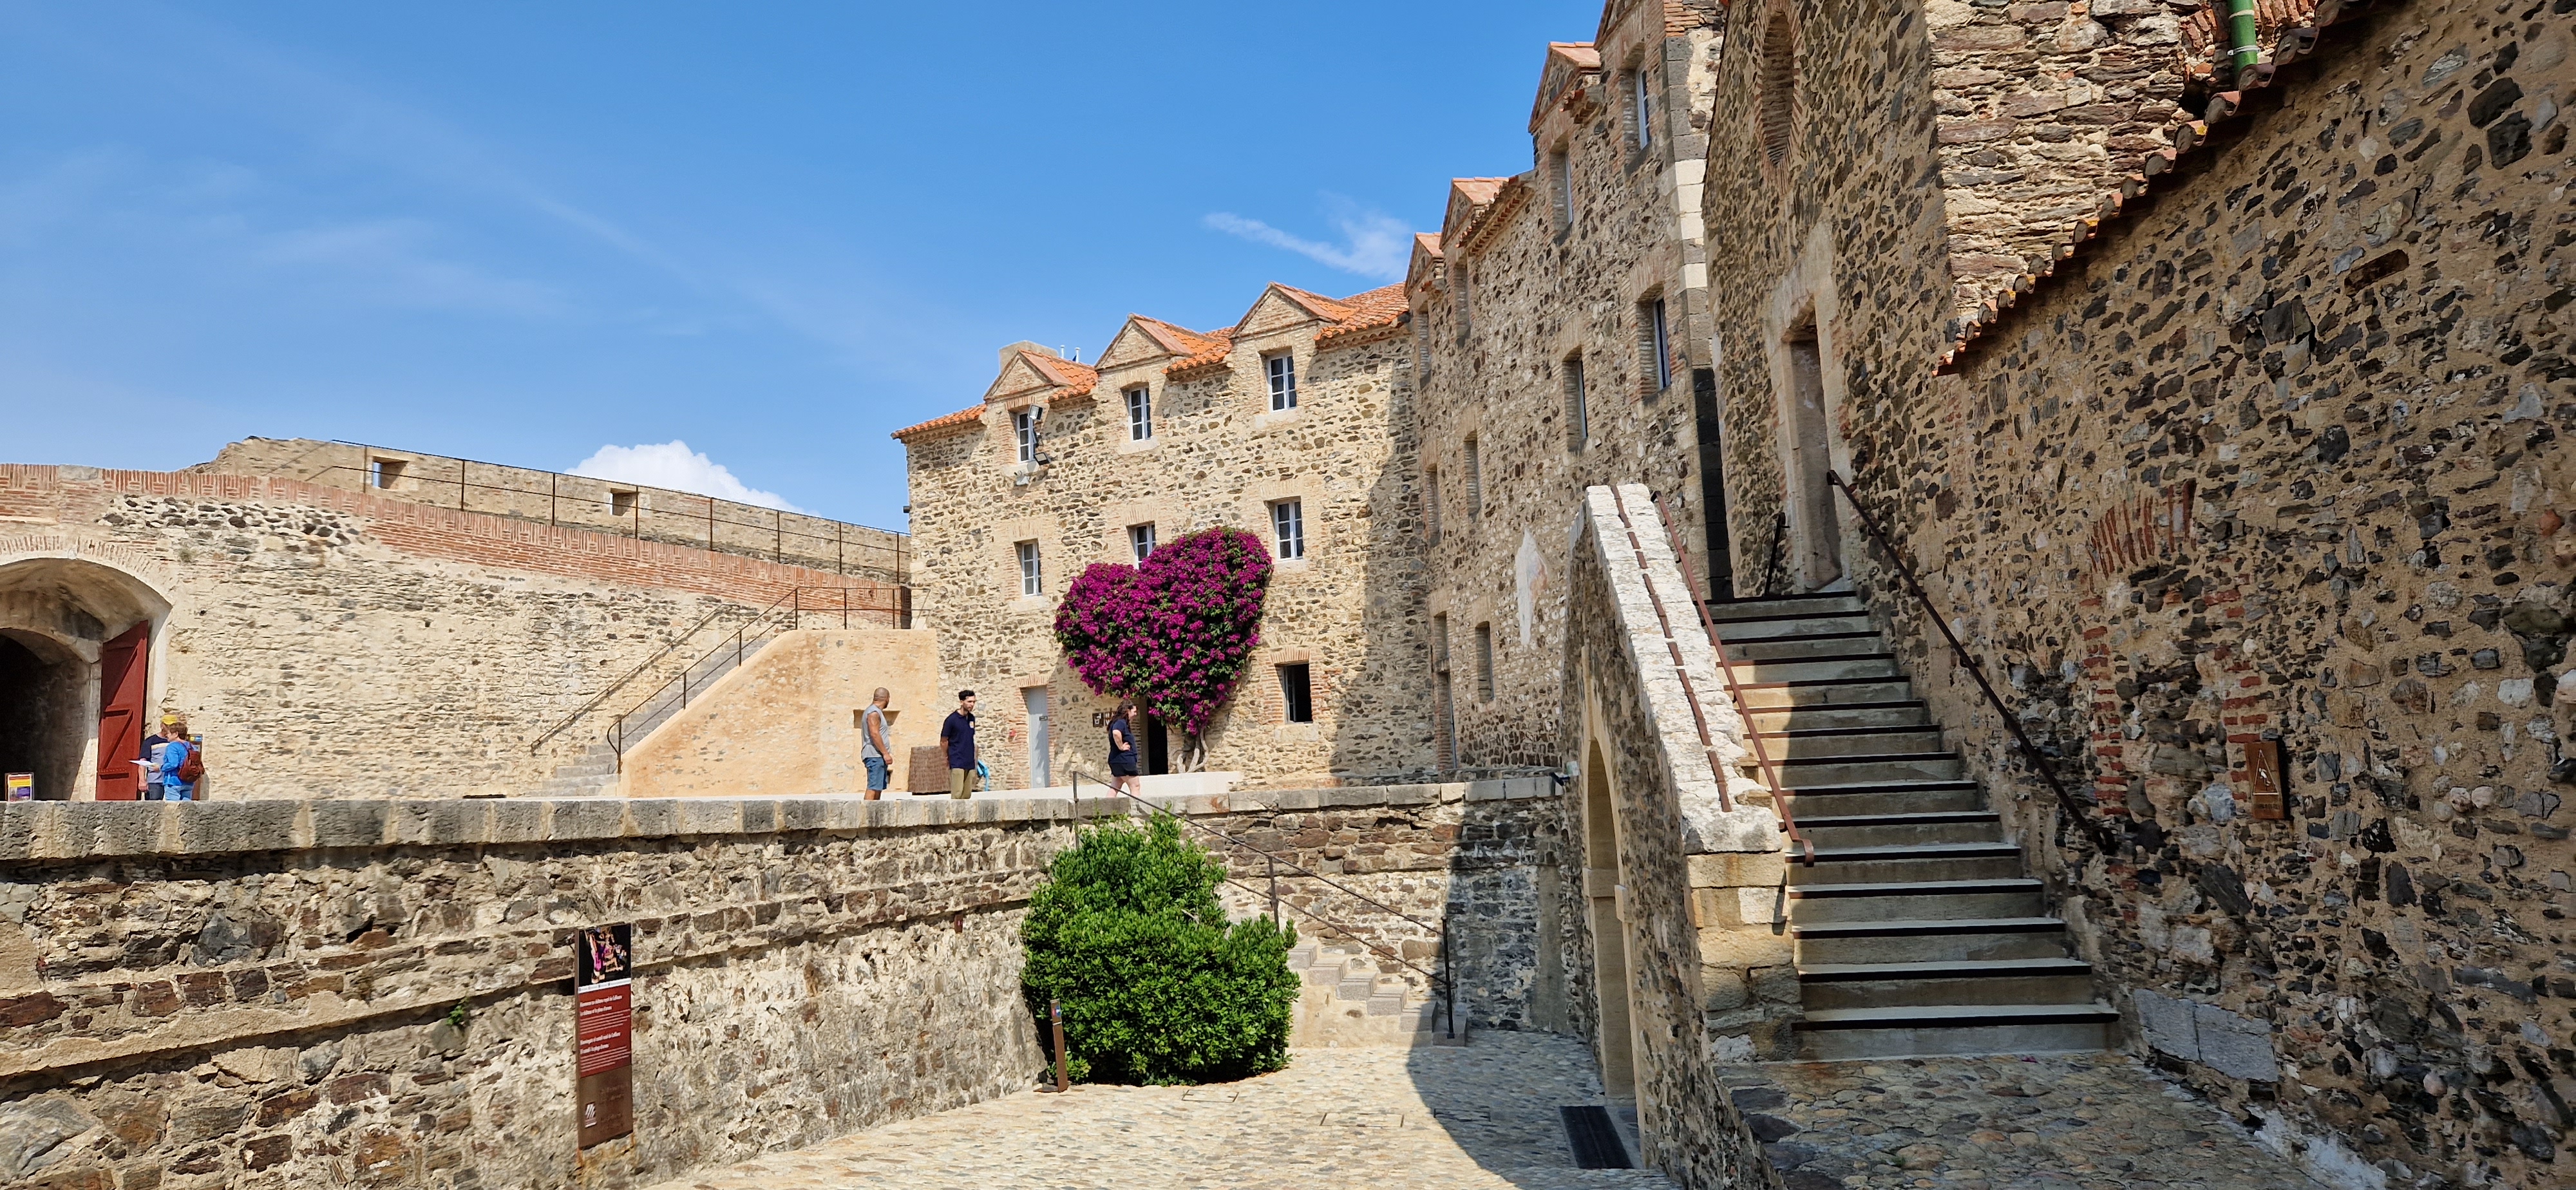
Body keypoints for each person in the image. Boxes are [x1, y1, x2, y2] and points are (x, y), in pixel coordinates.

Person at [938, 690, 978, 800]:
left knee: (967, 795)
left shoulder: (972, 718)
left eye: (974, 702)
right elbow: (944, 741)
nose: (972, 704)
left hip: (969, 761)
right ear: (961, 702)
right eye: (969, 702)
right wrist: (946, 756)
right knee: (957, 794)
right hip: (957, 760)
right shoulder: (952, 720)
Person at [860, 688, 894, 800]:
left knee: (878, 788)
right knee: (873, 787)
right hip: (874, 755)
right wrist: (885, 753)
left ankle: (874, 811)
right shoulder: (873, 713)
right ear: (887, 699)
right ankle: (866, 811)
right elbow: (875, 734)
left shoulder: (876, 712)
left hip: (878, 756)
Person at [1106, 701, 1142, 797]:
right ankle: (1136, 806)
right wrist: (1121, 747)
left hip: (1116, 760)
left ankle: (1105, 807)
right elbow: (1116, 733)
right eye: (1134, 712)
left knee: (1115, 787)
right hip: (1125, 760)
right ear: (1127, 711)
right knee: (1135, 786)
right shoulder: (1121, 722)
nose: (1135, 714)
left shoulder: (1117, 722)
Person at [157, 717, 196, 802]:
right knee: (186, 806)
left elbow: (173, 764)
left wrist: (161, 768)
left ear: (176, 734)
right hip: (188, 781)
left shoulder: (172, 746)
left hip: (174, 781)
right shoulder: (191, 746)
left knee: (173, 806)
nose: (167, 735)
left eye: (169, 733)